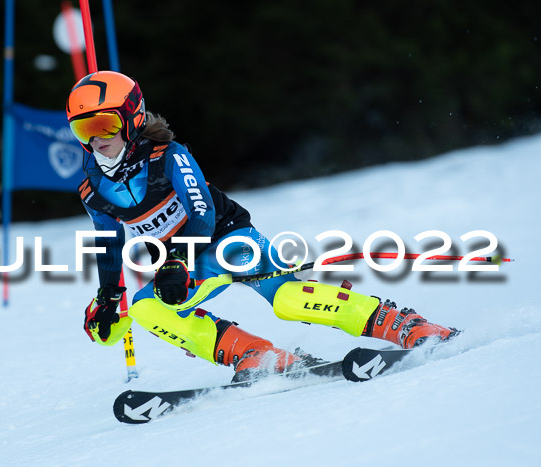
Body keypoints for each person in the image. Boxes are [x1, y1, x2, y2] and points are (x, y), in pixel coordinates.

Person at [67, 71, 458, 382]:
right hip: (187, 263)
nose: (96, 139)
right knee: (147, 307)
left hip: (228, 239)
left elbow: (201, 211)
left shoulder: (168, 156)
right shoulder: (92, 188)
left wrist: (176, 259)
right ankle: (258, 356)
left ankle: (408, 327)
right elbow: (108, 245)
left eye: (104, 123)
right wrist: (106, 298)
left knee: (289, 300)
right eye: (83, 130)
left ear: (133, 117)